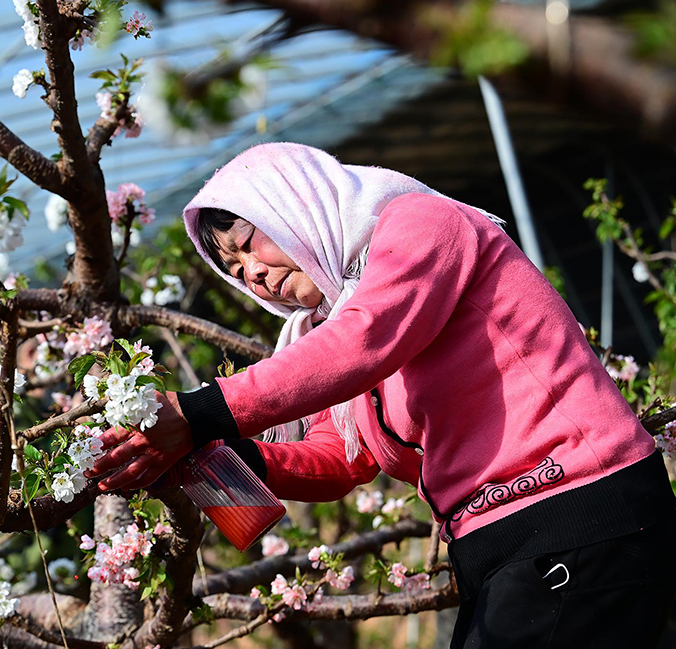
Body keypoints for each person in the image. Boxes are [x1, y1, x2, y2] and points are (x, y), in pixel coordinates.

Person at [89, 142, 676, 648]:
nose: (252, 274)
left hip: (575, 508)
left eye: (248, 242)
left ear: (292, 203)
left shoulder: (420, 224)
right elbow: (341, 459)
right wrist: (208, 452)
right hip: (497, 544)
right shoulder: (326, 327)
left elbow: (365, 340)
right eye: (234, 269)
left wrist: (196, 413)